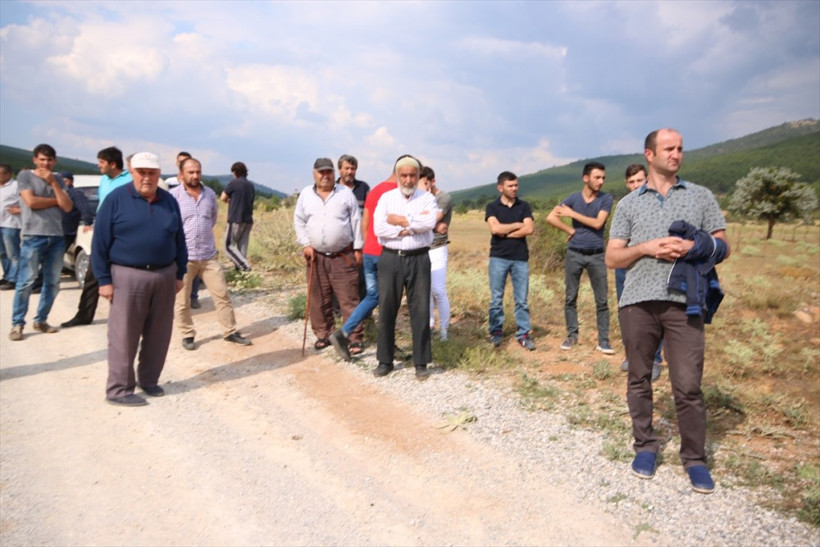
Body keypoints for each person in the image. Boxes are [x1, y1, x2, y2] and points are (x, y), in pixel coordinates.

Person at [606, 128, 730, 494]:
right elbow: (613, 257)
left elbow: (724, 245)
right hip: (638, 302)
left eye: (680, 149)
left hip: (686, 303)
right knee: (639, 378)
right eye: (669, 148)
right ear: (649, 154)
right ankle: (645, 446)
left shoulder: (701, 197)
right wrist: (646, 248)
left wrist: (696, 245)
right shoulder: (629, 204)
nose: (676, 154)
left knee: (689, 385)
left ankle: (694, 459)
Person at [92, 151, 187, 406]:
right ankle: (119, 390)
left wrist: (179, 274)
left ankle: (149, 380)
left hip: (164, 275)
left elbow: (179, 240)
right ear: (131, 172)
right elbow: (99, 243)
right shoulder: (115, 200)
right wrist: (103, 280)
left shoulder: (169, 201)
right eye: (141, 172)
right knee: (124, 335)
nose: (147, 177)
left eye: (152, 173)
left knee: (159, 333)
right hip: (127, 275)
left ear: (159, 174)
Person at [170, 157, 252, 350]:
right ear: (182, 174)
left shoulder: (209, 194)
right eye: (190, 172)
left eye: (198, 171)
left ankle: (230, 331)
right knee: (182, 301)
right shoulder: (173, 197)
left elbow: (212, 220)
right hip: (185, 258)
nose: (195, 175)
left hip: (208, 256)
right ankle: (187, 334)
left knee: (222, 295)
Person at [372, 155, 438, 380]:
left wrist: (400, 221)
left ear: (418, 176)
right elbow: (379, 227)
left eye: (412, 175)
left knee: (420, 309)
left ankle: (421, 363)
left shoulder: (427, 199)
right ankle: (385, 360)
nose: (408, 180)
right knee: (387, 308)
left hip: (419, 258)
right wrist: (411, 225)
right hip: (391, 259)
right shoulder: (386, 198)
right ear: (398, 176)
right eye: (404, 175)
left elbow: (428, 223)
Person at [328, 167, 399, 360]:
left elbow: (365, 223)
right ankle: (387, 344)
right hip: (386, 253)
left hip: (370, 251)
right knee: (389, 300)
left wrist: (368, 247)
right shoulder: (396, 193)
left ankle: (343, 333)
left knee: (373, 296)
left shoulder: (375, 190)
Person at [293, 158, 363, 351]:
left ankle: (354, 337)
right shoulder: (306, 195)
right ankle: (324, 334)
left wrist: (358, 248)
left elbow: (356, 221)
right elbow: (299, 220)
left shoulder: (345, 193)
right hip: (316, 256)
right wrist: (305, 243)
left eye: (328, 172)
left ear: (334, 173)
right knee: (319, 297)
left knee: (348, 298)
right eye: (321, 172)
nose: (325, 176)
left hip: (343, 255)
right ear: (314, 173)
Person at [546, 161, 615, 354]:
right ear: (586, 178)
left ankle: (604, 340)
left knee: (602, 300)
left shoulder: (606, 199)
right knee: (570, 297)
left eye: (603, 178)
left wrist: (571, 214)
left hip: (597, 255)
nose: (601, 181)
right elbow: (551, 217)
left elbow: (598, 223)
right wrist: (570, 229)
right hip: (574, 253)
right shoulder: (573, 198)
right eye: (597, 177)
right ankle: (572, 336)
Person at [61, 147, 132, 328]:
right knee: (93, 275)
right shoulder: (104, 180)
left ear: (112, 164)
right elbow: (102, 205)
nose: (98, 165)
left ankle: (124, 320)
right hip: (102, 235)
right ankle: (83, 315)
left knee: (122, 280)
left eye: (101, 162)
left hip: (120, 237)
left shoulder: (129, 180)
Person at [9, 144, 73, 341]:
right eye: (42, 159)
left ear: (55, 161)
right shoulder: (25, 177)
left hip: (56, 236)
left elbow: (68, 207)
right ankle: (17, 324)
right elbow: (31, 202)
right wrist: (56, 201)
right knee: (26, 281)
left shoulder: (58, 180)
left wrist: (53, 183)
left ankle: (41, 320)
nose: (46, 163)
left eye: (49, 160)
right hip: (33, 235)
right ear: (35, 159)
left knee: (52, 283)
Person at [615, 164, 662, 381]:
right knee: (628, 312)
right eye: (631, 182)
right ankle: (632, 355)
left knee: (654, 313)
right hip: (625, 268)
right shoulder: (624, 208)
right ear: (626, 184)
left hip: (652, 268)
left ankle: (654, 359)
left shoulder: (659, 206)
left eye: (640, 181)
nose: (636, 186)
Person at [485, 171, 536, 350]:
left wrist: (504, 231)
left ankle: (523, 333)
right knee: (496, 298)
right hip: (498, 257)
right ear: (500, 188)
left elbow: (529, 229)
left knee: (521, 299)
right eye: (510, 186)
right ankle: (496, 332)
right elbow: (494, 229)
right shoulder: (492, 207)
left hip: (520, 258)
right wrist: (516, 225)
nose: (514, 189)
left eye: (516, 185)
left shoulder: (524, 206)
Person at [419, 166, 453, 341]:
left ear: (432, 181)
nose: (423, 186)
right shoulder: (420, 198)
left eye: (426, 182)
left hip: (437, 247)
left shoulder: (443, 198)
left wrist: (425, 220)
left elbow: (432, 219)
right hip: (421, 248)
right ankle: (430, 324)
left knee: (438, 290)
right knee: (425, 290)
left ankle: (444, 331)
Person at [221, 161, 255, 271]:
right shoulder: (250, 185)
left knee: (228, 246)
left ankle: (245, 267)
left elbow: (223, 198)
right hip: (248, 219)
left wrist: (230, 200)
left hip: (236, 218)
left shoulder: (233, 183)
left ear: (235, 172)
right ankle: (240, 273)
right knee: (242, 248)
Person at [59, 172, 94, 250]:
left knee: (57, 255)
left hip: (67, 231)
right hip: (57, 230)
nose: (62, 184)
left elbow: (84, 207)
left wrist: (88, 222)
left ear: (71, 181)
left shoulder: (75, 193)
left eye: (65, 181)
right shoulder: (58, 193)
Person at [0, 163, 21, 290]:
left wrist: (20, 209)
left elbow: (27, 200)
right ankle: (7, 276)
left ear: (8, 174)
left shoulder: (16, 186)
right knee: (2, 253)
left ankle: (14, 279)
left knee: (12, 253)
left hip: (10, 224)